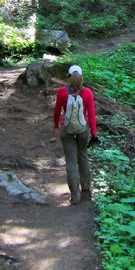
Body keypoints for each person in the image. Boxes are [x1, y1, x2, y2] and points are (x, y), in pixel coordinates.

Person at [53, 64, 97, 205]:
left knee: (71, 162)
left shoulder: (62, 91)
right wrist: (94, 133)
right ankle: (86, 188)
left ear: (69, 76)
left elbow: (57, 111)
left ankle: (75, 196)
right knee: (83, 157)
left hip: (67, 131)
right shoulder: (87, 92)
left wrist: (56, 125)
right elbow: (91, 114)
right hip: (82, 130)